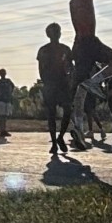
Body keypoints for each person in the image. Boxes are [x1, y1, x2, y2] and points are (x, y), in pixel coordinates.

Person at [36, 23, 73, 157]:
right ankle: (53, 143)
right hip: (50, 85)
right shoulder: (43, 50)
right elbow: (40, 69)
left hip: (63, 84)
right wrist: (46, 82)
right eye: (53, 32)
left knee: (68, 110)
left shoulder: (66, 49)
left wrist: (70, 80)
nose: (56, 34)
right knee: (51, 114)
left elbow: (71, 66)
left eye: (58, 31)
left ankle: (60, 136)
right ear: (48, 35)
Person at [0, 67, 17, 140]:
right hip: (1, 100)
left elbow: (13, 86)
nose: (3, 74)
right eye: (1, 73)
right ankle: (1, 130)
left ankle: (4, 130)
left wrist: (10, 92)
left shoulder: (8, 81)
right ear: (0, 74)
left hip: (7, 100)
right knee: (1, 116)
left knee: (5, 116)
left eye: (4, 73)